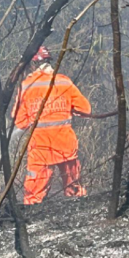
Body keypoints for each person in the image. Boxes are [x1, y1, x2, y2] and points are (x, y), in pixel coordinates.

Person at [12, 46, 91, 205]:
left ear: (32, 65)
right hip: (65, 145)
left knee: (33, 196)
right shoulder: (63, 81)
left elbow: (19, 121)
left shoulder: (26, 86)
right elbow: (85, 109)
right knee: (74, 189)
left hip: (40, 148)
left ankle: (32, 223)